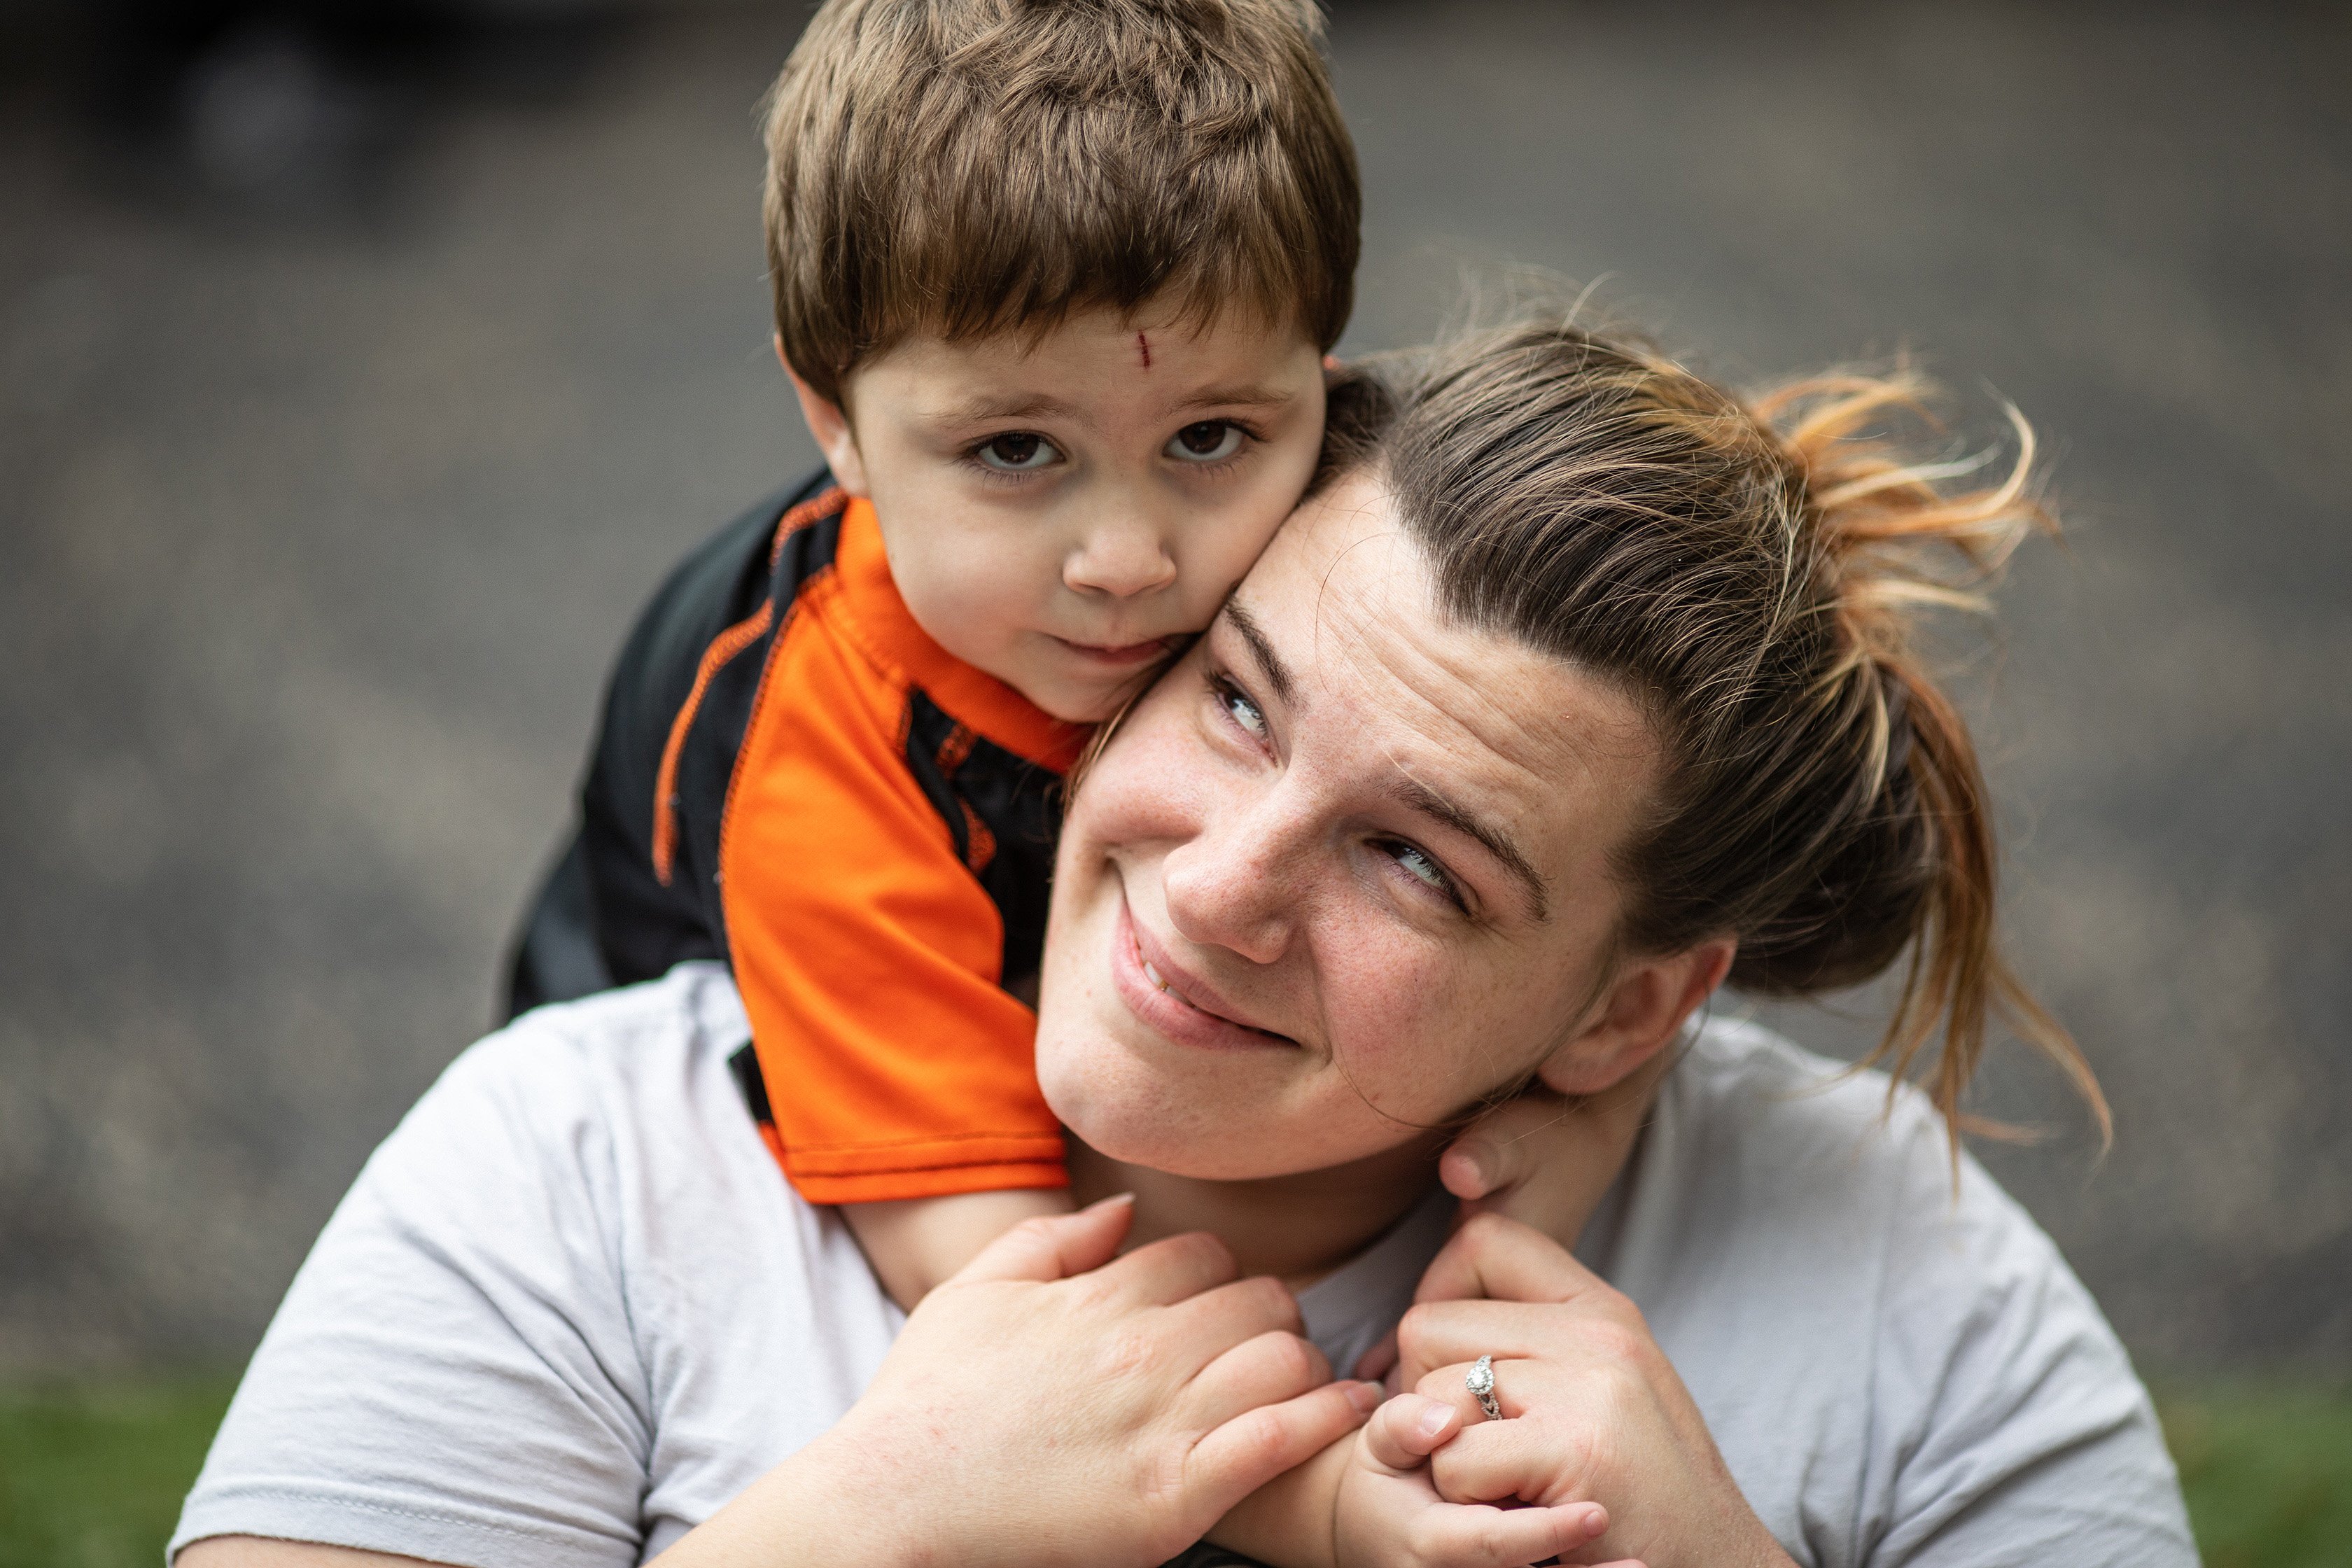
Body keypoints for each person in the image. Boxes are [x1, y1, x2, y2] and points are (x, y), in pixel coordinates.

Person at [173, 319, 2196, 1568]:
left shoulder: (1908, 1290)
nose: (1219, 882)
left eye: (1422, 864)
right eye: (1237, 699)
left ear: (1633, 1007)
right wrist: (871, 1519)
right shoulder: (588, 1161)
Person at [505, 0, 1623, 1318]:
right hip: (710, 1117)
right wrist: (1315, 1506)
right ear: (835, 420)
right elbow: (1001, 1288)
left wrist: (1596, 1109)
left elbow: (1678, 826)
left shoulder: (1346, 491)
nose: (1127, 558)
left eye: (1208, 437)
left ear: (1323, 370)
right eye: (1015, 453)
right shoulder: (818, 743)